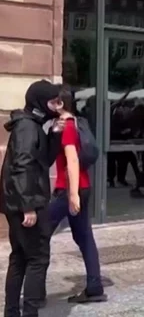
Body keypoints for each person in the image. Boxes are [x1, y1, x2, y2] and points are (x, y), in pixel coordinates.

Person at [1, 80, 62, 317]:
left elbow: (44, 160)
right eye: (53, 101)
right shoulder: (28, 127)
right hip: (26, 203)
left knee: (19, 257)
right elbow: (22, 167)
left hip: (19, 201)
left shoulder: (34, 125)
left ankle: (12, 312)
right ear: (38, 101)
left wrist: (55, 134)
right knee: (37, 259)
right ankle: (28, 312)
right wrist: (28, 206)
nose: (57, 106)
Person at [48, 86, 107, 303]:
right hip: (82, 186)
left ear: (60, 103)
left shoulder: (69, 126)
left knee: (40, 233)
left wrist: (72, 195)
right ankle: (95, 286)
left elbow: (72, 161)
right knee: (84, 237)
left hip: (70, 189)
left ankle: (33, 292)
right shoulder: (72, 123)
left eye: (52, 101)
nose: (49, 105)